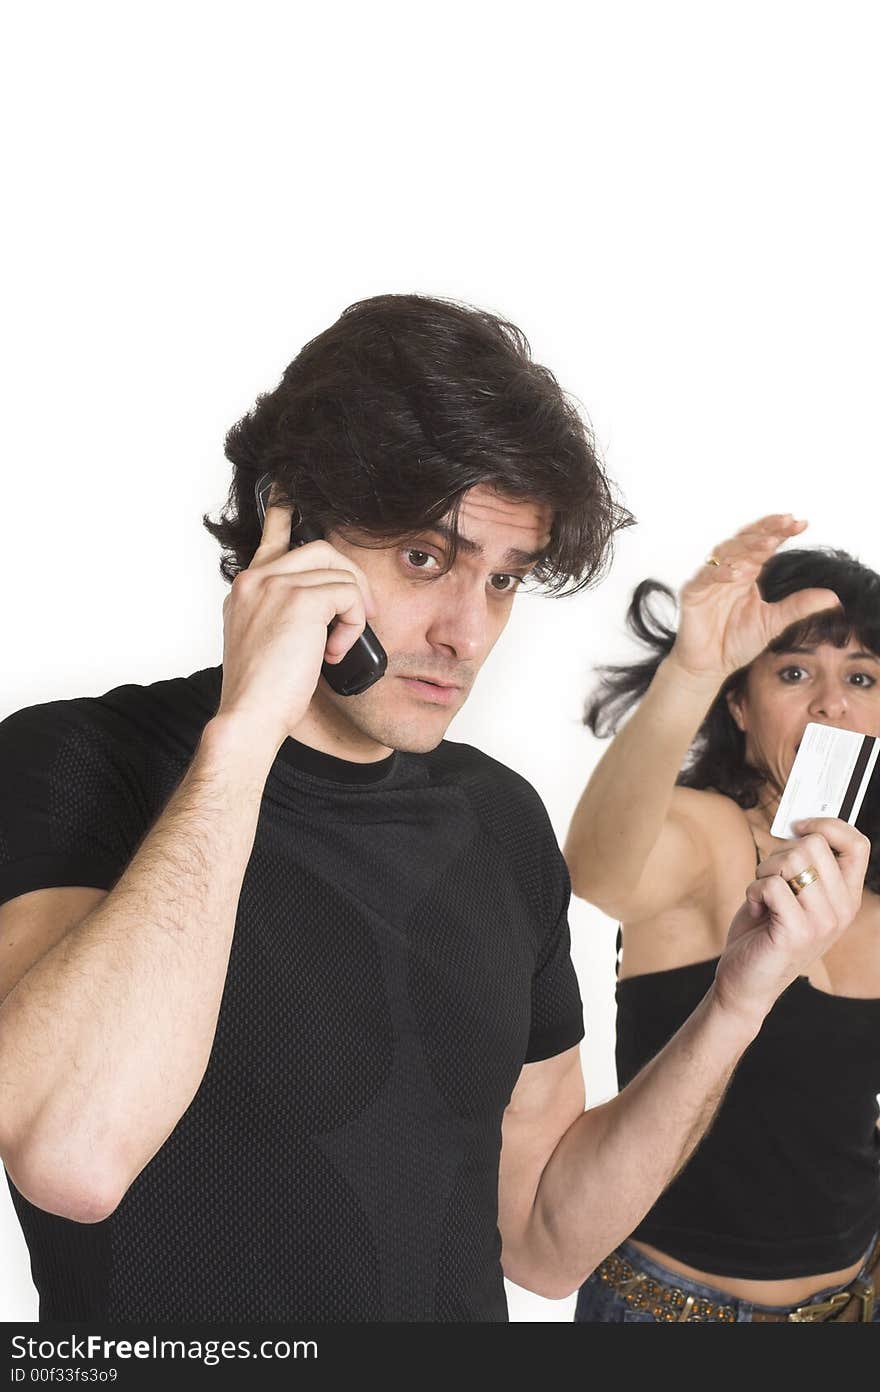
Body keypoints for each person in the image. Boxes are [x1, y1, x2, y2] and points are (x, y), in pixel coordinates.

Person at [0, 296, 868, 1323]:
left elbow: (545, 1240)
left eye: (503, 580)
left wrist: (736, 1001)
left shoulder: (497, 821)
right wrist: (244, 735)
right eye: (425, 558)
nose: (466, 633)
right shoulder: (72, 760)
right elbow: (72, 1157)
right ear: (292, 525)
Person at [565, 517, 880, 1322]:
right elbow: (597, 872)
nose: (832, 705)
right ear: (739, 703)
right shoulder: (707, 834)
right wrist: (691, 667)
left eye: (863, 679)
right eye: (795, 672)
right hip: (668, 1313)